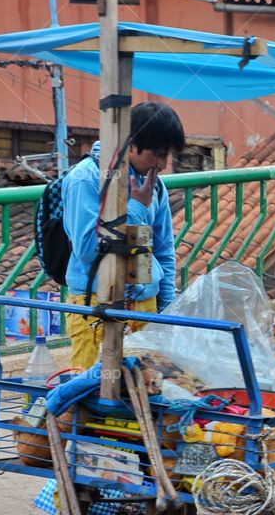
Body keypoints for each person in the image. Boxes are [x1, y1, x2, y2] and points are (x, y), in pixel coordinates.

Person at [62, 102, 185, 371]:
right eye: (157, 154)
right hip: (96, 306)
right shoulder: (86, 179)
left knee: (147, 393)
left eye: (168, 156)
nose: (162, 165)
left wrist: (165, 312)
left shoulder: (154, 185)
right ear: (129, 144)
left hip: (145, 304)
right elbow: (86, 247)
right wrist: (137, 208)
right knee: (94, 393)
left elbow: (161, 251)